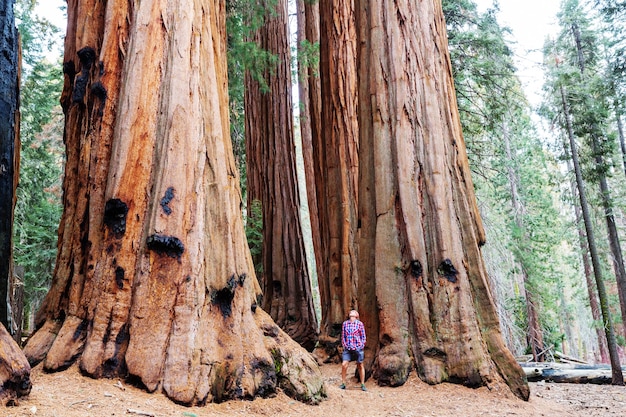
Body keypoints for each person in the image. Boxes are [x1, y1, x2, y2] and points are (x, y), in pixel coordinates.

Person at [339, 309, 366, 391]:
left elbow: (363, 336)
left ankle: (362, 384)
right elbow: (343, 336)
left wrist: (361, 346)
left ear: (356, 317)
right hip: (348, 348)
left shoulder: (360, 324)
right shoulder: (345, 324)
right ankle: (343, 383)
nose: (352, 317)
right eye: (350, 316)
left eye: (353, 316)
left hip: (358, 348)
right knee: (344, 364)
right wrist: (344, 344)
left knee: (360, 365)